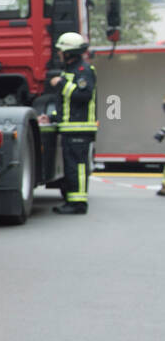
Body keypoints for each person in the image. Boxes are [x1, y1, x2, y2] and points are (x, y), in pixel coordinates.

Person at [50, 32, 96, 214]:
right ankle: (72, 201)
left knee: (78, 167)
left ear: (69, 53)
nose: (59, 54)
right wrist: (53, 117)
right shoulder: (69, 72)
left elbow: (84, 96)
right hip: (70, 128)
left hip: (79, 128)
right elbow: (66, 105)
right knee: (71, 167)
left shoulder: (83, 71)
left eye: (61, 51)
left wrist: (62, 84)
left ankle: (78, 204)